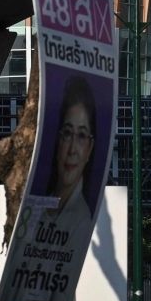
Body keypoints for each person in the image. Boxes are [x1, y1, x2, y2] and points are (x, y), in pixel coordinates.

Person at [44, 74, 98, 224]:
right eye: (67, 133)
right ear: (58, 140)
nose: (72, 149)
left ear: (90, 148)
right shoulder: (39, 204)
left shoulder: (83, 219)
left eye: (81, 135)